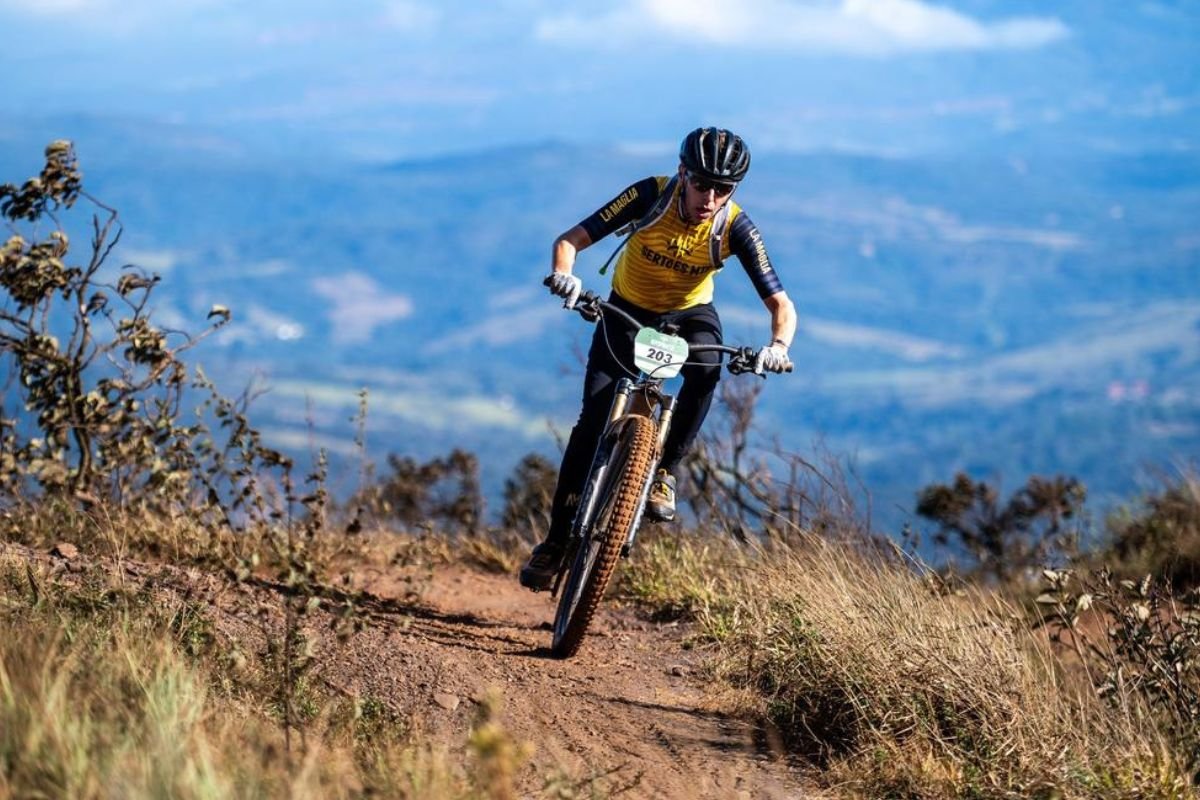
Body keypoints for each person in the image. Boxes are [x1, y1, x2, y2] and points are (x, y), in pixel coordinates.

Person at [520, 126, 796, 591]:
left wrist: (778, 348)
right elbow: (570, 241)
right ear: (683, 173)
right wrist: (564, 276)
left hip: (690, 315)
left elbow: (782, 306)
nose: (710, 197)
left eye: (723, 189)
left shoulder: (736, 227)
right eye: (702, 183)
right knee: (591, 425)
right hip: (626, 308)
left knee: (708, 372)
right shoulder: (650, 195)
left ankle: (664, 471)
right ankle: (555, 542)